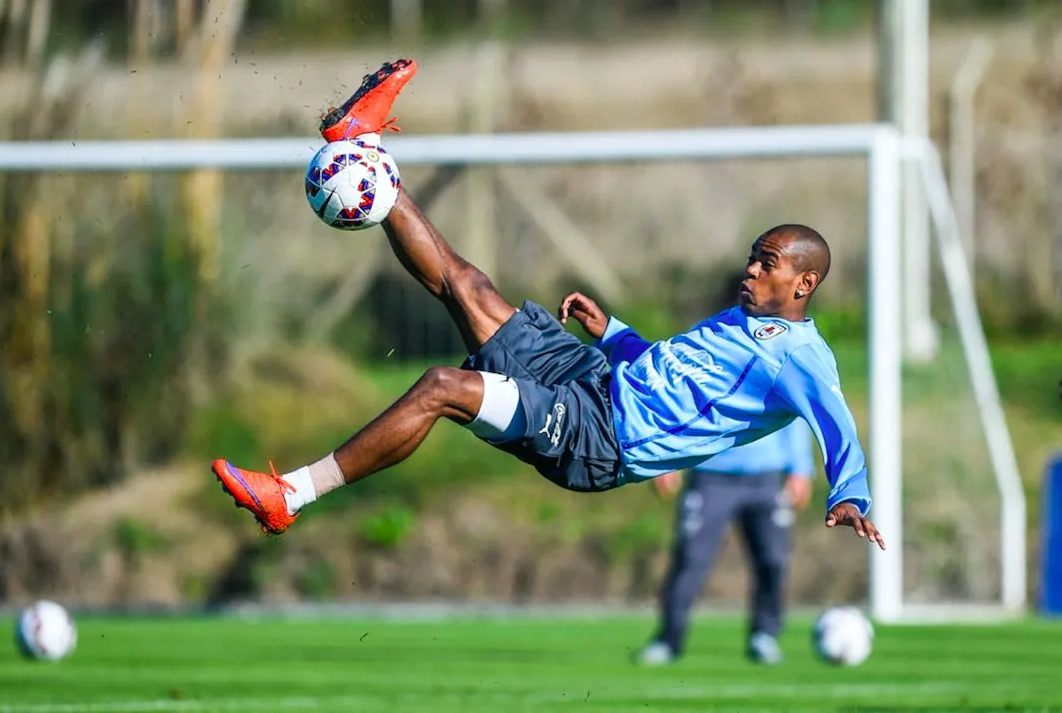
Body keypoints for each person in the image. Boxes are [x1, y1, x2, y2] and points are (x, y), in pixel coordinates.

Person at [210, 58, 885, 555]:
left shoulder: (800, 358)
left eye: (767, 263)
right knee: (467, 285)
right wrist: (614, 332)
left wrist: (849, 493)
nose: (750, 268)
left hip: (600, 440)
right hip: (595, 377)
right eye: (753, 255)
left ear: (803, 285)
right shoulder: (747, 319)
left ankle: (290, 495)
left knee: (444, 386)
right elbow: (678, 380)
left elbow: (838, 424)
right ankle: (365, 144)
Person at [638, 417, 816, 667]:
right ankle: (669, 639)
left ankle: (764, 635)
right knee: (691, 558)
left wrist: (801, 467)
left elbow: (791, 406)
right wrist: (666, 456)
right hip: (709, 472)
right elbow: (683, 401)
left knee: (774, 559)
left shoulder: (773, 374)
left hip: (766, 475)